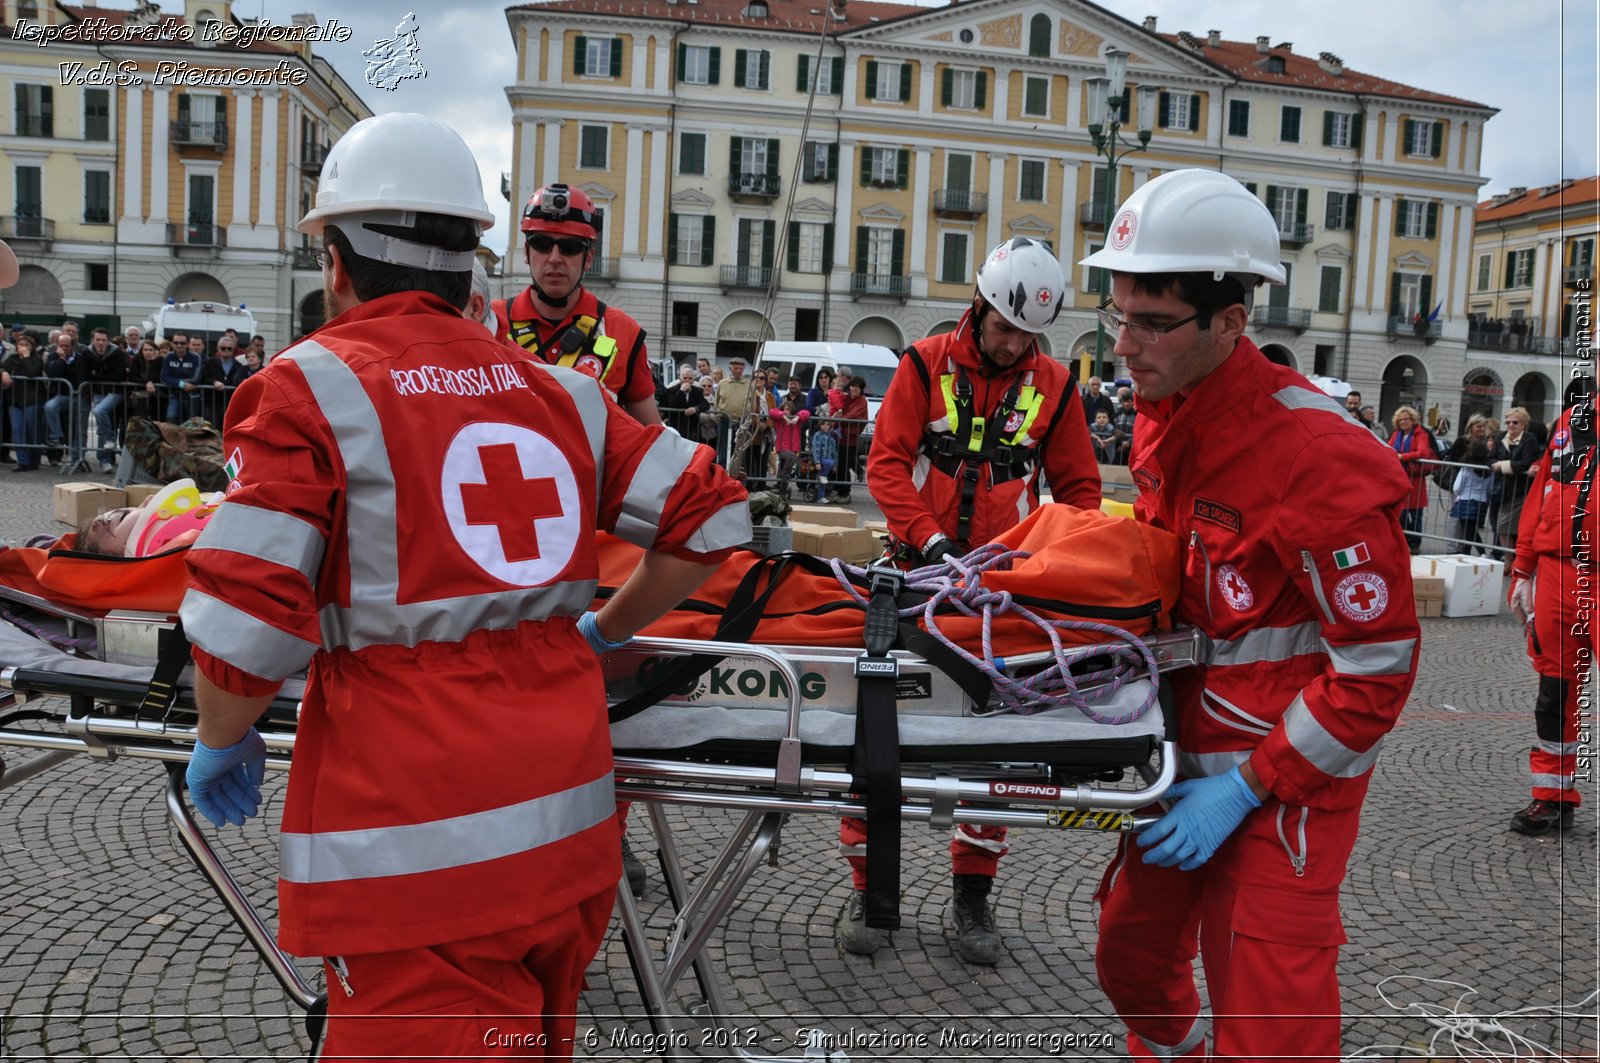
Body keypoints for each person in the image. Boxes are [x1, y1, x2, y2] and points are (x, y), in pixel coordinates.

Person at [178, 113, 749, 1058]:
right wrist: (602, 632)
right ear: (474, 261)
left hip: (412, 854)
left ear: (336, 259)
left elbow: (244, 624)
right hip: (566, 836)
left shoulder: (308, 387)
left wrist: (219, 735)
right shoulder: (563, 394)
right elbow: (714, 518)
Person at [1078, 168, 1418, 1060]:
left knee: (1271, 1021)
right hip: (1184, 761)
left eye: (1153, 322)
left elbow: (1376, 671)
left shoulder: (1315, 455)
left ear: (1232, 321)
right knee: (1131, 956)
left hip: (1283, 788)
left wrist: (1248, 784)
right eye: (1119, 313)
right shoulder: (1173, 417)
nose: (1124, 343)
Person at [853, 236, 1100, 965]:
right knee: (878, 730)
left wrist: (1051, 560)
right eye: (1005, 327)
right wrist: (928, 542)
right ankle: (871, 892)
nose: (1016, 343)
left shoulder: (1056, 384)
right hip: (916, 573)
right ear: (981, 307)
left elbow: (1080, 491)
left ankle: (972, 897)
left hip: (1003, 589)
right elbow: (887, 463)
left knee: (1001, 749)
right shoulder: (922, 365)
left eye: (1029, 333)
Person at [491, 182, 660, 425]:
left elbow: (650, 435)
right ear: (526, 253)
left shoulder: (623, 332)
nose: (555, 258)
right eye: (542, 244)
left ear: (588, 258)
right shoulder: (489, 322)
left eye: (570, 247)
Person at [1506, 394, 1595, 834]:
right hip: (1558, 572)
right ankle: (1553, 797)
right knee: (1553, 694)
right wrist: (1523, 566)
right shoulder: (1572, 420)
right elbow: (1542, 492)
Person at [1489, 406, 1541, 556]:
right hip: (1500, 489)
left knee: (1505, 526)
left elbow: (1526, 463)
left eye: (1515, 422)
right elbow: (1490, 458)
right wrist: (1498, 464)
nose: (1510, 425)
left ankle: (1511, 561)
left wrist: (1503, 465)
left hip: (1520, 489)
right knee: (1501, 526)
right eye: (1508, 422)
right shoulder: (1501, 437)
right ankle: (1511, 561)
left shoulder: (1529, 439)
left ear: (1524, 424)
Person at [1387, 406, 1434, 551]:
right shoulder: (1396, 434)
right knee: (1400, 513)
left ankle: (1414, 544)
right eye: (1401, 419)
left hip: (1415, 479)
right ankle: (1403, 540)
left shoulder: (1421, 434)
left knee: (1415, 514)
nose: (1403, 422)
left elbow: (1423, 452)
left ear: (1413, 420)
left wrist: (1402, 456)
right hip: (1399, 477)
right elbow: (1388, 448)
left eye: (1406, 419)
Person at [1, 333, 44, 471]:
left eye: (27, 345)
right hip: (15, 400)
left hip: (32, 399)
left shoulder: (36, 359)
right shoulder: (12, 359)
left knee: (31, 430)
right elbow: (3, 366)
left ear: (32, 347)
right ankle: (22, 461)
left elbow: (32, 373)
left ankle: (34, 460)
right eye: (21, 345)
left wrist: (26, 357)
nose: (23, 347)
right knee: (17, 430)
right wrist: (3, 372)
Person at [769, 380, 810, 500]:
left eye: (789, 410)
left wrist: (797, 417)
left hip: (794, 448)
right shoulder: (780, 419)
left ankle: (783, 487)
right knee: (791, 459)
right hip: (782, 448)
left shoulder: (796, 422)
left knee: (791, 462)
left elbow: (806, 412)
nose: (787, 411)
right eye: (785, 409)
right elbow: (772, 411)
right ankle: (783, 480)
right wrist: (783, 416)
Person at [196, 335, 247, 427]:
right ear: (218, 349)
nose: (226, 350)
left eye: (229, 348)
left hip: (230, 404)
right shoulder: (209, 363)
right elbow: (203, 378)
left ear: (233, 349)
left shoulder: (239, 366)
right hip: (212, 403)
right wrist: (214, 382)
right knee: (212, 431)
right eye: (223, 348)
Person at [809, 415, 838, 503]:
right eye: (823, 424)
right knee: (824, 475)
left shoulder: (831, 437)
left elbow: (834, 452)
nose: (825, 426)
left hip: (828, 460)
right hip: (819, 459)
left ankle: (821, 496)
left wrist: (835, 464)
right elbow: (816, 450)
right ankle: (820, 495)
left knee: (823, 476)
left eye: (827, 425)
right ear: (820, 425)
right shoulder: (817, 435)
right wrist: (817, 462)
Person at [1111, 386, 1137, 465]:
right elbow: (1114, 429)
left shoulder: (1137, 415)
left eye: (1128, 401)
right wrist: (1120, 444)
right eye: (1124, 401)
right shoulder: (1117, 414)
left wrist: (1129, 443)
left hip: (1133, 450)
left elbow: (1138, 432)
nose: (1126, 404)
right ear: (1121, 402)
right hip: (1119, 449)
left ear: (1133, 402)